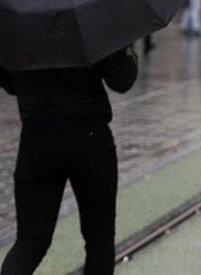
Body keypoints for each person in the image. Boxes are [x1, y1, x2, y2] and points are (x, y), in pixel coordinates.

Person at [0, 46, 138, 275]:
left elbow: (9, 81)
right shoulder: (90, 15)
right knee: (99, 241)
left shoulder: (17, 21)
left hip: (38, 137)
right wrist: (127, 48)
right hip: (89, 137)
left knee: (30, 242)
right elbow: (122, 79)